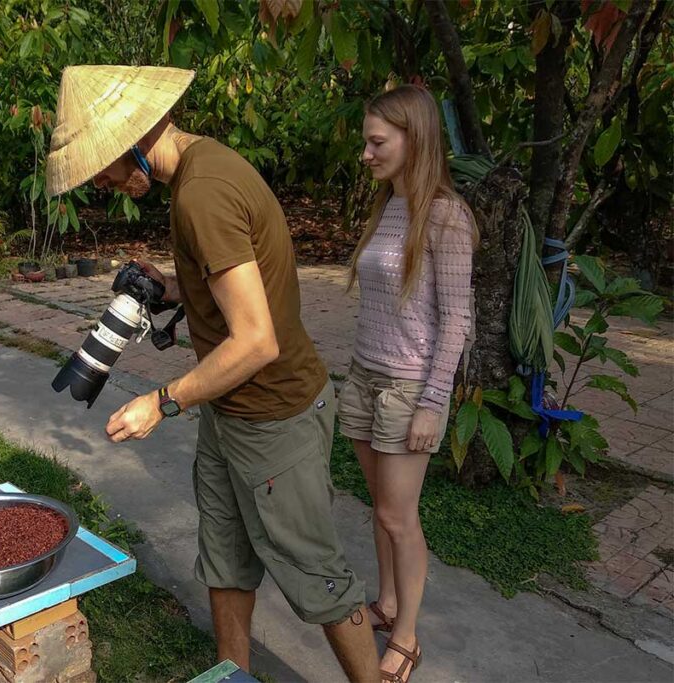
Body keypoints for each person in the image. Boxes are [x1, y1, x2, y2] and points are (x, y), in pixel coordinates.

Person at [46, 65, 380, 682]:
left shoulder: (202, 193)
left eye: (105, 168)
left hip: (274, 417)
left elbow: (256, 340)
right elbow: (230, 292)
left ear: (133, 143)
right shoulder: (203, 169)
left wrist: (162, 401)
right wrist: (171, 289)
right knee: (225, 562)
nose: (107, 183)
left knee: (319, 577)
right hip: (230, 415)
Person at [338, 84, 477, 683]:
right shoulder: (388, 206)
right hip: (365, 375)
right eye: (366, 142)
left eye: (376, 142)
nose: (366, 154)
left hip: (406, 386)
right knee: (381, 510)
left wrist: (432, 403)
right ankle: (388, 601)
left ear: (413, 139)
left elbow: (458, 321)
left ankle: (408, 636)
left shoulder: (446, 215)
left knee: (400, 517)